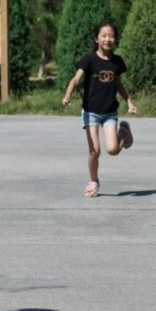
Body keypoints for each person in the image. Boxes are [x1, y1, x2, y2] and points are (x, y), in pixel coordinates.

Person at [61, 21, 138, 198]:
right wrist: (67, 95)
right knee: (94, 151)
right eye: (104, 36)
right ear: (97, 39)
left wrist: (129, 102)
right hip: (91, 113)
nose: (107, 39)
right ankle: (93, 181)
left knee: (112, 150)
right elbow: (75, 79)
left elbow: (118, 84)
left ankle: (124, 133)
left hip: (110, 112)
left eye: (111, 36)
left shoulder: (117, 62)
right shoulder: (89, 60)